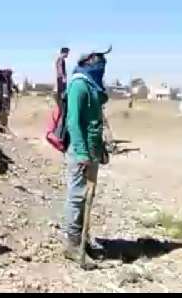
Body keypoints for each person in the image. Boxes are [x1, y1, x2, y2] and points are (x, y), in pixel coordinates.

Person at [62, 48, 110, 262]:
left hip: (93, 150)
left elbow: (94, 122)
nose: (101, 67)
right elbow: (73, 122)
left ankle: (84, 238)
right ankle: (72, 244)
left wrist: (100, 149)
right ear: (88, 63)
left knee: (88, 197)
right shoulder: (78, 85)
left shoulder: (92, 87)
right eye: (98, 62)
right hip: (80, 151)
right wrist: (81, 152)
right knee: (77, 196)